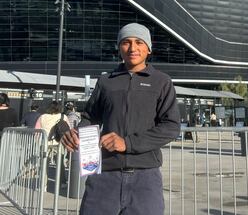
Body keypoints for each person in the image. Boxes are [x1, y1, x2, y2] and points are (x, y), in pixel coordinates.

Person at [61, 23, 180, 215]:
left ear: (148, 48)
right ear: (119, 47)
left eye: (139, 42)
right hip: (104, 175)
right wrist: (76, 134)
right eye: (126, 42)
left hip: (146, 177)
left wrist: (127, 143)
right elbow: (90, 117)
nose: (133, 48)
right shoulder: (106, 81)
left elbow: (171, 126)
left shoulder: (161, 81)